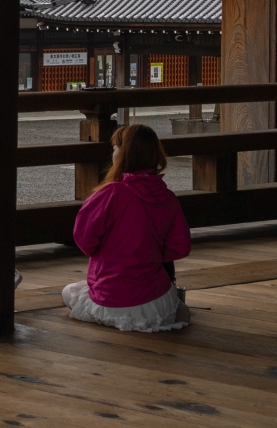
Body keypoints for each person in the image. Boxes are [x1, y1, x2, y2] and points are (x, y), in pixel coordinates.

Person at [61, 123, 193, 332]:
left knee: (68, 292)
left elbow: (85, 240)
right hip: (156, 301)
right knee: (173, 304)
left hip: (111, 300)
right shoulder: (168, 197)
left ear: (124, 155)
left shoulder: (111, 193)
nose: (113, 152)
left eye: (115, 148)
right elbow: (181, 247)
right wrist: (151, 255)